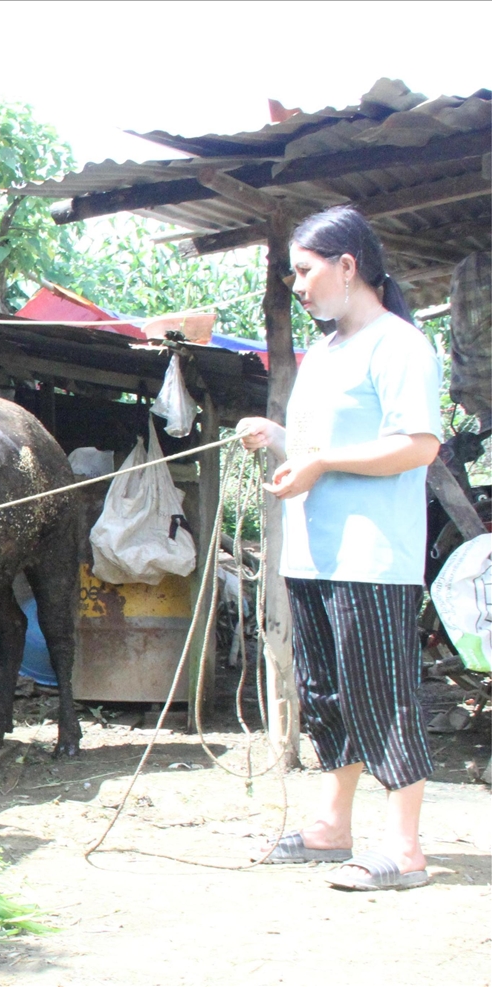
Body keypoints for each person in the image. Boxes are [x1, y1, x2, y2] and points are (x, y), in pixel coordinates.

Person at [238, 205, 443, 891]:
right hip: (312, 552)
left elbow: (417, 444)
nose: (297, 286)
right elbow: (321, 449)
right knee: (325, 691)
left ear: (348, 266)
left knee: (380, 693)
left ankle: (405, 848)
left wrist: (322, 464)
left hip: (373, 557)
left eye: (305, 271)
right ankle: (331, 826)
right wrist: (278, 436)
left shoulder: (400, 346)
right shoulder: (323, 356)